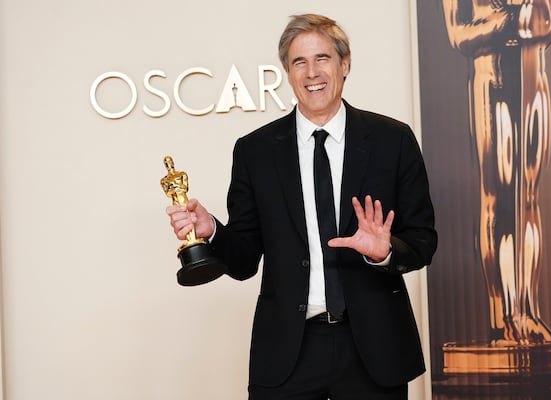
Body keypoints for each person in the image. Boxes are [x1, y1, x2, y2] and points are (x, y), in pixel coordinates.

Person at [166, 13, 437, 400]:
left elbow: (423, 240)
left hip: (374, 350)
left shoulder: (393, 141)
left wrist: (384, 253)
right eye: (299, 62)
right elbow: (243, 262)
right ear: (287, 73)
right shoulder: (255, 151)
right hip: (288, 351)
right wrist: (213, 230)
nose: (312, 72)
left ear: (344, 64)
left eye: (323, 58)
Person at [442, 0, 551, 345]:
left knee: (528, 197)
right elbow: (460, 35)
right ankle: (506, 316)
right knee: (500, 197)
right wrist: (514, 19)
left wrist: (531, 19)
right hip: (491, 80)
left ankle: (528, 311)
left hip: (536, 79)